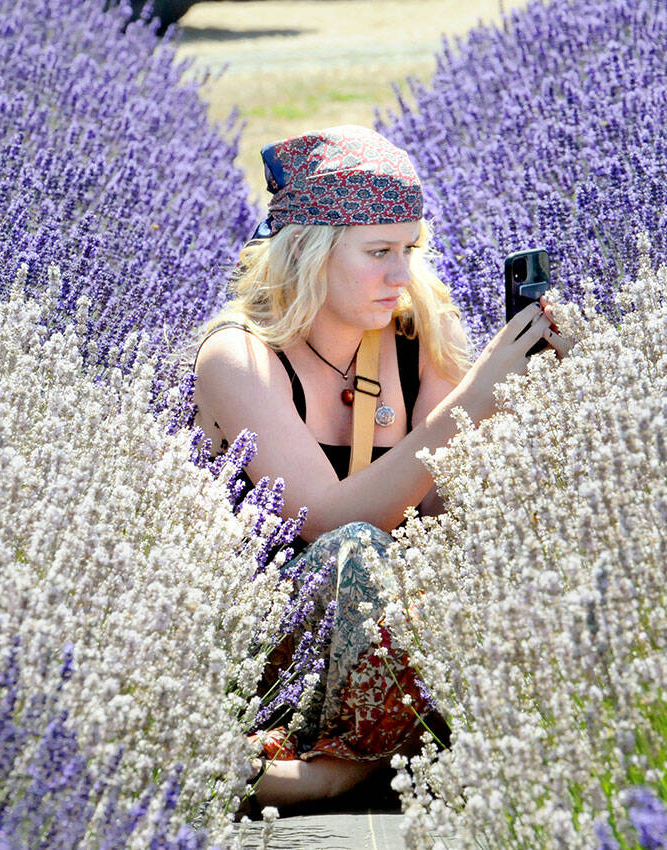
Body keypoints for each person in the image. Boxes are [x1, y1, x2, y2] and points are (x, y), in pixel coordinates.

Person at [192, 126, 570, 810]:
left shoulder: (409, 334)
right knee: (357, 551)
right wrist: (468, 403)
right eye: (377, 253)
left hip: (398, 618)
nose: (400, 275)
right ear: (308, 252)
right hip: (285, 633)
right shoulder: (239, 356)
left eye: (408, 250)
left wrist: (540, 395)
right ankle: (360, 761)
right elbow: (328, 522)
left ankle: (353, 768)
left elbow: (454, 512)